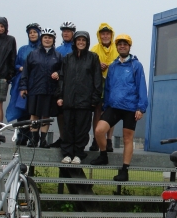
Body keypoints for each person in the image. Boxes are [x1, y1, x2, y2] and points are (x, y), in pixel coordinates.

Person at [90, 34, 148, 182]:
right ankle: (103, 156)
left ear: (129, 47)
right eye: (120, 44)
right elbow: (108, 87)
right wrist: (106, 104)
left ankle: (124, 170)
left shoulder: (136, 65)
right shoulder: (114, 66)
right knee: (99, 130)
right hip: (114, 106)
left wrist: (141, 108)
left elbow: (142, 87)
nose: (122, 46)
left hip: (130, 107)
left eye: (125, 44)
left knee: (128, 138)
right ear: (117, 47)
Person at [57, 31, 102, 164]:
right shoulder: (67, 58)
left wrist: (95, 98)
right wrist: (60, 96)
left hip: (85, 101)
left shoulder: (93, 57)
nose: (81, 42)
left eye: (83, 40)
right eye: (78, 40)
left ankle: (78, 154)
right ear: (75, 42)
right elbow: (62, 78)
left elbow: (97, 79)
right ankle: (67, 154)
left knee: (82, 129)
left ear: (87, 42)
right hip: (68, 99)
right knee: (68, 128)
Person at [19, 28, 62, 148]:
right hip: (34, 89)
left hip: (49, 90)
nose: (47, 40)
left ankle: (43, 140)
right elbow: (25, 72)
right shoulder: (33, 54)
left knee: (46, 115)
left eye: (50, 38)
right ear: (41, 39)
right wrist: (23, 86)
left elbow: (62, 71)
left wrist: (58, 73)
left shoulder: (58, 56)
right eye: (45, 37)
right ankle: (33, 139)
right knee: (34, 115)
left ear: (53, 40)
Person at [5, 23, 41, 145]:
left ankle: (33, 134)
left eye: (34, 32)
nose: (32, 34)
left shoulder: (42, 49)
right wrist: (20, 68)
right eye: (30, 33)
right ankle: (22, 134)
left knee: (34, 109)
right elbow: (15, 64)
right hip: (22, 83)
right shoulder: (22, 49)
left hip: (36, 83)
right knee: (22, 108)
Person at [89, 23, 119, 152]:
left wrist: (110, 66)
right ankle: (96, 139)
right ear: (99, 35)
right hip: (97, 84)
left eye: (107, 34)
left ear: (111, 35)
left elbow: (120, 63)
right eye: (103, 34)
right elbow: (87, 65)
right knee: (97, 112)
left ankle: (109, 140)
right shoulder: (94, 49)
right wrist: (97, 65)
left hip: (113, 85)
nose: (105, 36)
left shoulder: (118, 48)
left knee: (110, 113)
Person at [48, 21, 76, 148]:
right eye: (64, 31)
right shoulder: (57, 49)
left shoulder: (77, 48)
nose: (66, 33)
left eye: (68, 31)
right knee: (60, 113)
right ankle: (62, 137)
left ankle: (72, 139)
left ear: (73, 33)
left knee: (72, 114)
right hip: (60, 86)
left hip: (73, 86)